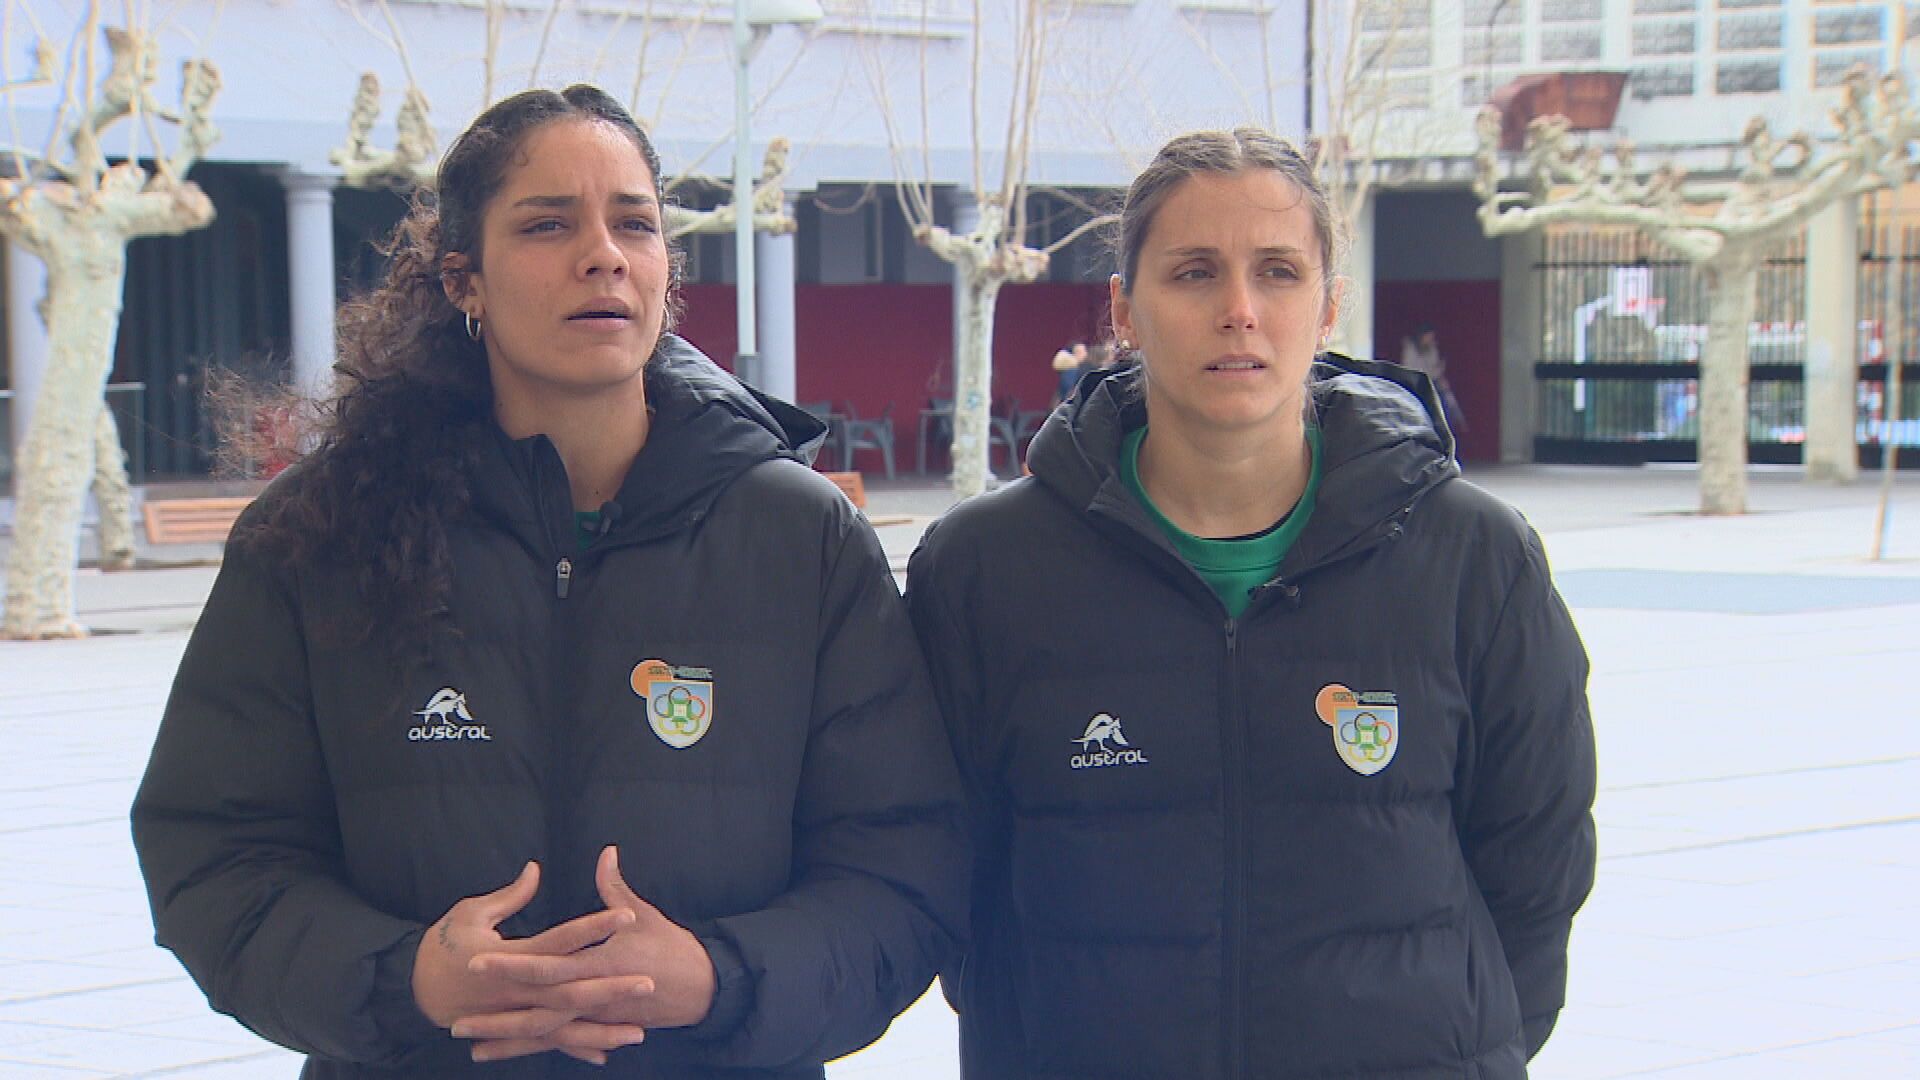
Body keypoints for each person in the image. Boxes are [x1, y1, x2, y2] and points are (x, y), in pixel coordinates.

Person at [132, 85, 966, 1078]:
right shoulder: (319, 536)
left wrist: (719, 978)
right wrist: (406, 981)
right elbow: (216, 859)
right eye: (546, 224)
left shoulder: (802, 537)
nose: (603, 254)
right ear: (464, 279)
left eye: (635, 224)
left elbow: (903, 872)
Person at [906, 128, 1595, 1079]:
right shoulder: (985, 570)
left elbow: (1537, 872)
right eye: (1194, 273)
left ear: (1328, 306)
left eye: (1277, 271)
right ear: (1126, 310)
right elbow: (944, 874)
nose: (1239, 311)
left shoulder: (1476, 557)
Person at [1400, 322, 1468, 434]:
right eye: (1428, 337)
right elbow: (1412, 370)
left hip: (1432, 384)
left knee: (1445, 398)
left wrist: (1439, 370)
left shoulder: (1432, 348)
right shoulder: (1410, 350)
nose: (1430, 340)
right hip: (1416, 386)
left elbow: (1433, 369)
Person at [1051, 341, 1092, 407]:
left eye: (1085, 351)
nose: (1084, 354)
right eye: (1079, 352)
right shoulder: (1072, 370)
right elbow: (1068, 391)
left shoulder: (1072, 369)